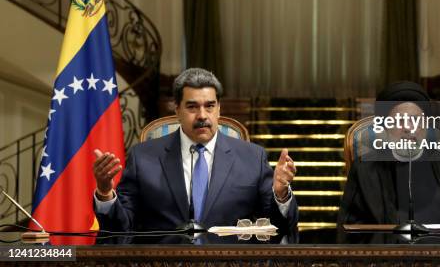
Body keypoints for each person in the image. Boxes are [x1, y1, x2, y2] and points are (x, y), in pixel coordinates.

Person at [92, 68, 298, 233]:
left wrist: (280, 194)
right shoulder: (143, 157)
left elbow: (276, 227)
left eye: (209, 106)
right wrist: (105, 193)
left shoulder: (252, 157)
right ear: (177, 111)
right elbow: (120, 228)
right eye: (192, 107)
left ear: (219, 109)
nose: (202, 115)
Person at [337, 81, 440, 242]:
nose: (408, 128)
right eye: (399, 121)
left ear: (426, 126)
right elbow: (350, 230)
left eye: (415, 120)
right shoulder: (365, 168)